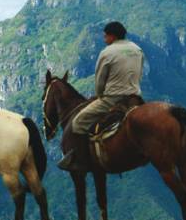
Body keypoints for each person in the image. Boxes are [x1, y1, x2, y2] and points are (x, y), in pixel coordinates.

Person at [58, 21, 145, 173]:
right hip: (135, 98)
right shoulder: (137, 50)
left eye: (105, 36)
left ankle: (81, 162)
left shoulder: (107, 52)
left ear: (112, 36)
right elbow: (140, 74)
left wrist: (99, 96)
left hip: (113, 98)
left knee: (78, 122)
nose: (104, 39)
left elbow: (99, 81)